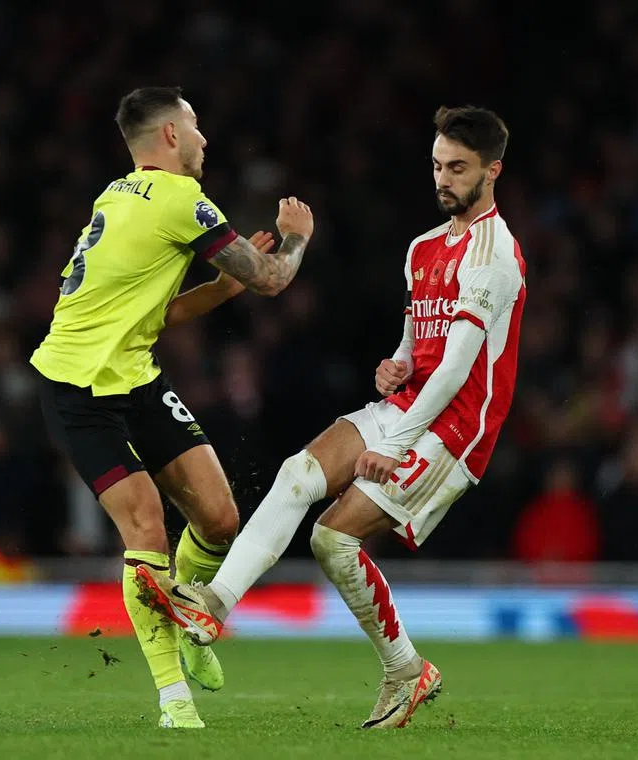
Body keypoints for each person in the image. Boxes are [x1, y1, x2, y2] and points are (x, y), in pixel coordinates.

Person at [134, 105, 526, 729]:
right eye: (436, 166)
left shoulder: (495, 255)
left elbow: (455, 371)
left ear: (492, 171)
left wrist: (395, 443)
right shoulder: (424, 247)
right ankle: (212, 604)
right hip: (409, 404)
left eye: (457, 168)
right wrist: (393, 367)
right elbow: (416, 346)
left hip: (454, 430)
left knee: (332, 538)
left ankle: (406, 668)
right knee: (297, 473)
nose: (443, 179)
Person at [30, 86, 314, 728]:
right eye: (195, 126)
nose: (204, 139)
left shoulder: (117, 195)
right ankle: (172, 700)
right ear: (168, 137)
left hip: (132, 376)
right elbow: (273, 280)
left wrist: (220, 289)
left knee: (219, 519)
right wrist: (297, 240)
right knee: (147, 529)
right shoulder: (182, 199)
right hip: (78, 390)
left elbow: (157, 315)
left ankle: (188, 625)